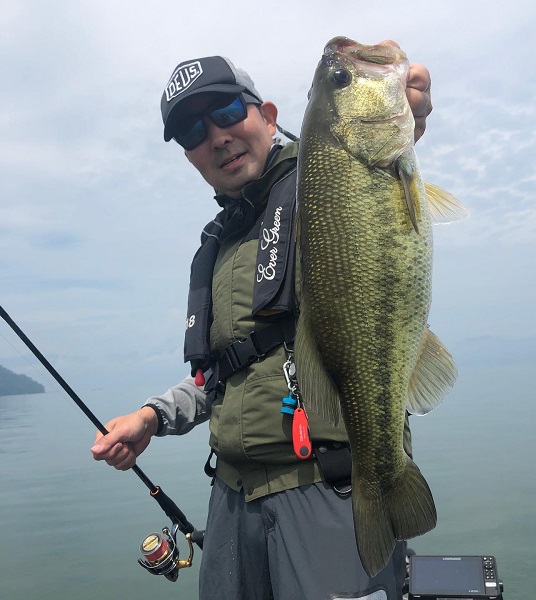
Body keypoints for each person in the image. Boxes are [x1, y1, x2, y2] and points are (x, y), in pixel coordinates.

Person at [91, 43, 433, 600]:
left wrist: (404, 114)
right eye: (193, 132)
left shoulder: (318, 179)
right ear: (189, 157)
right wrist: (152, 417)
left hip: (326, 487)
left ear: (269, 116)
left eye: (227, 111)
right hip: (232, 497)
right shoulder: (218, 245)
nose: (217, 136)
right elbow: (225, 371)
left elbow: (366, 178)